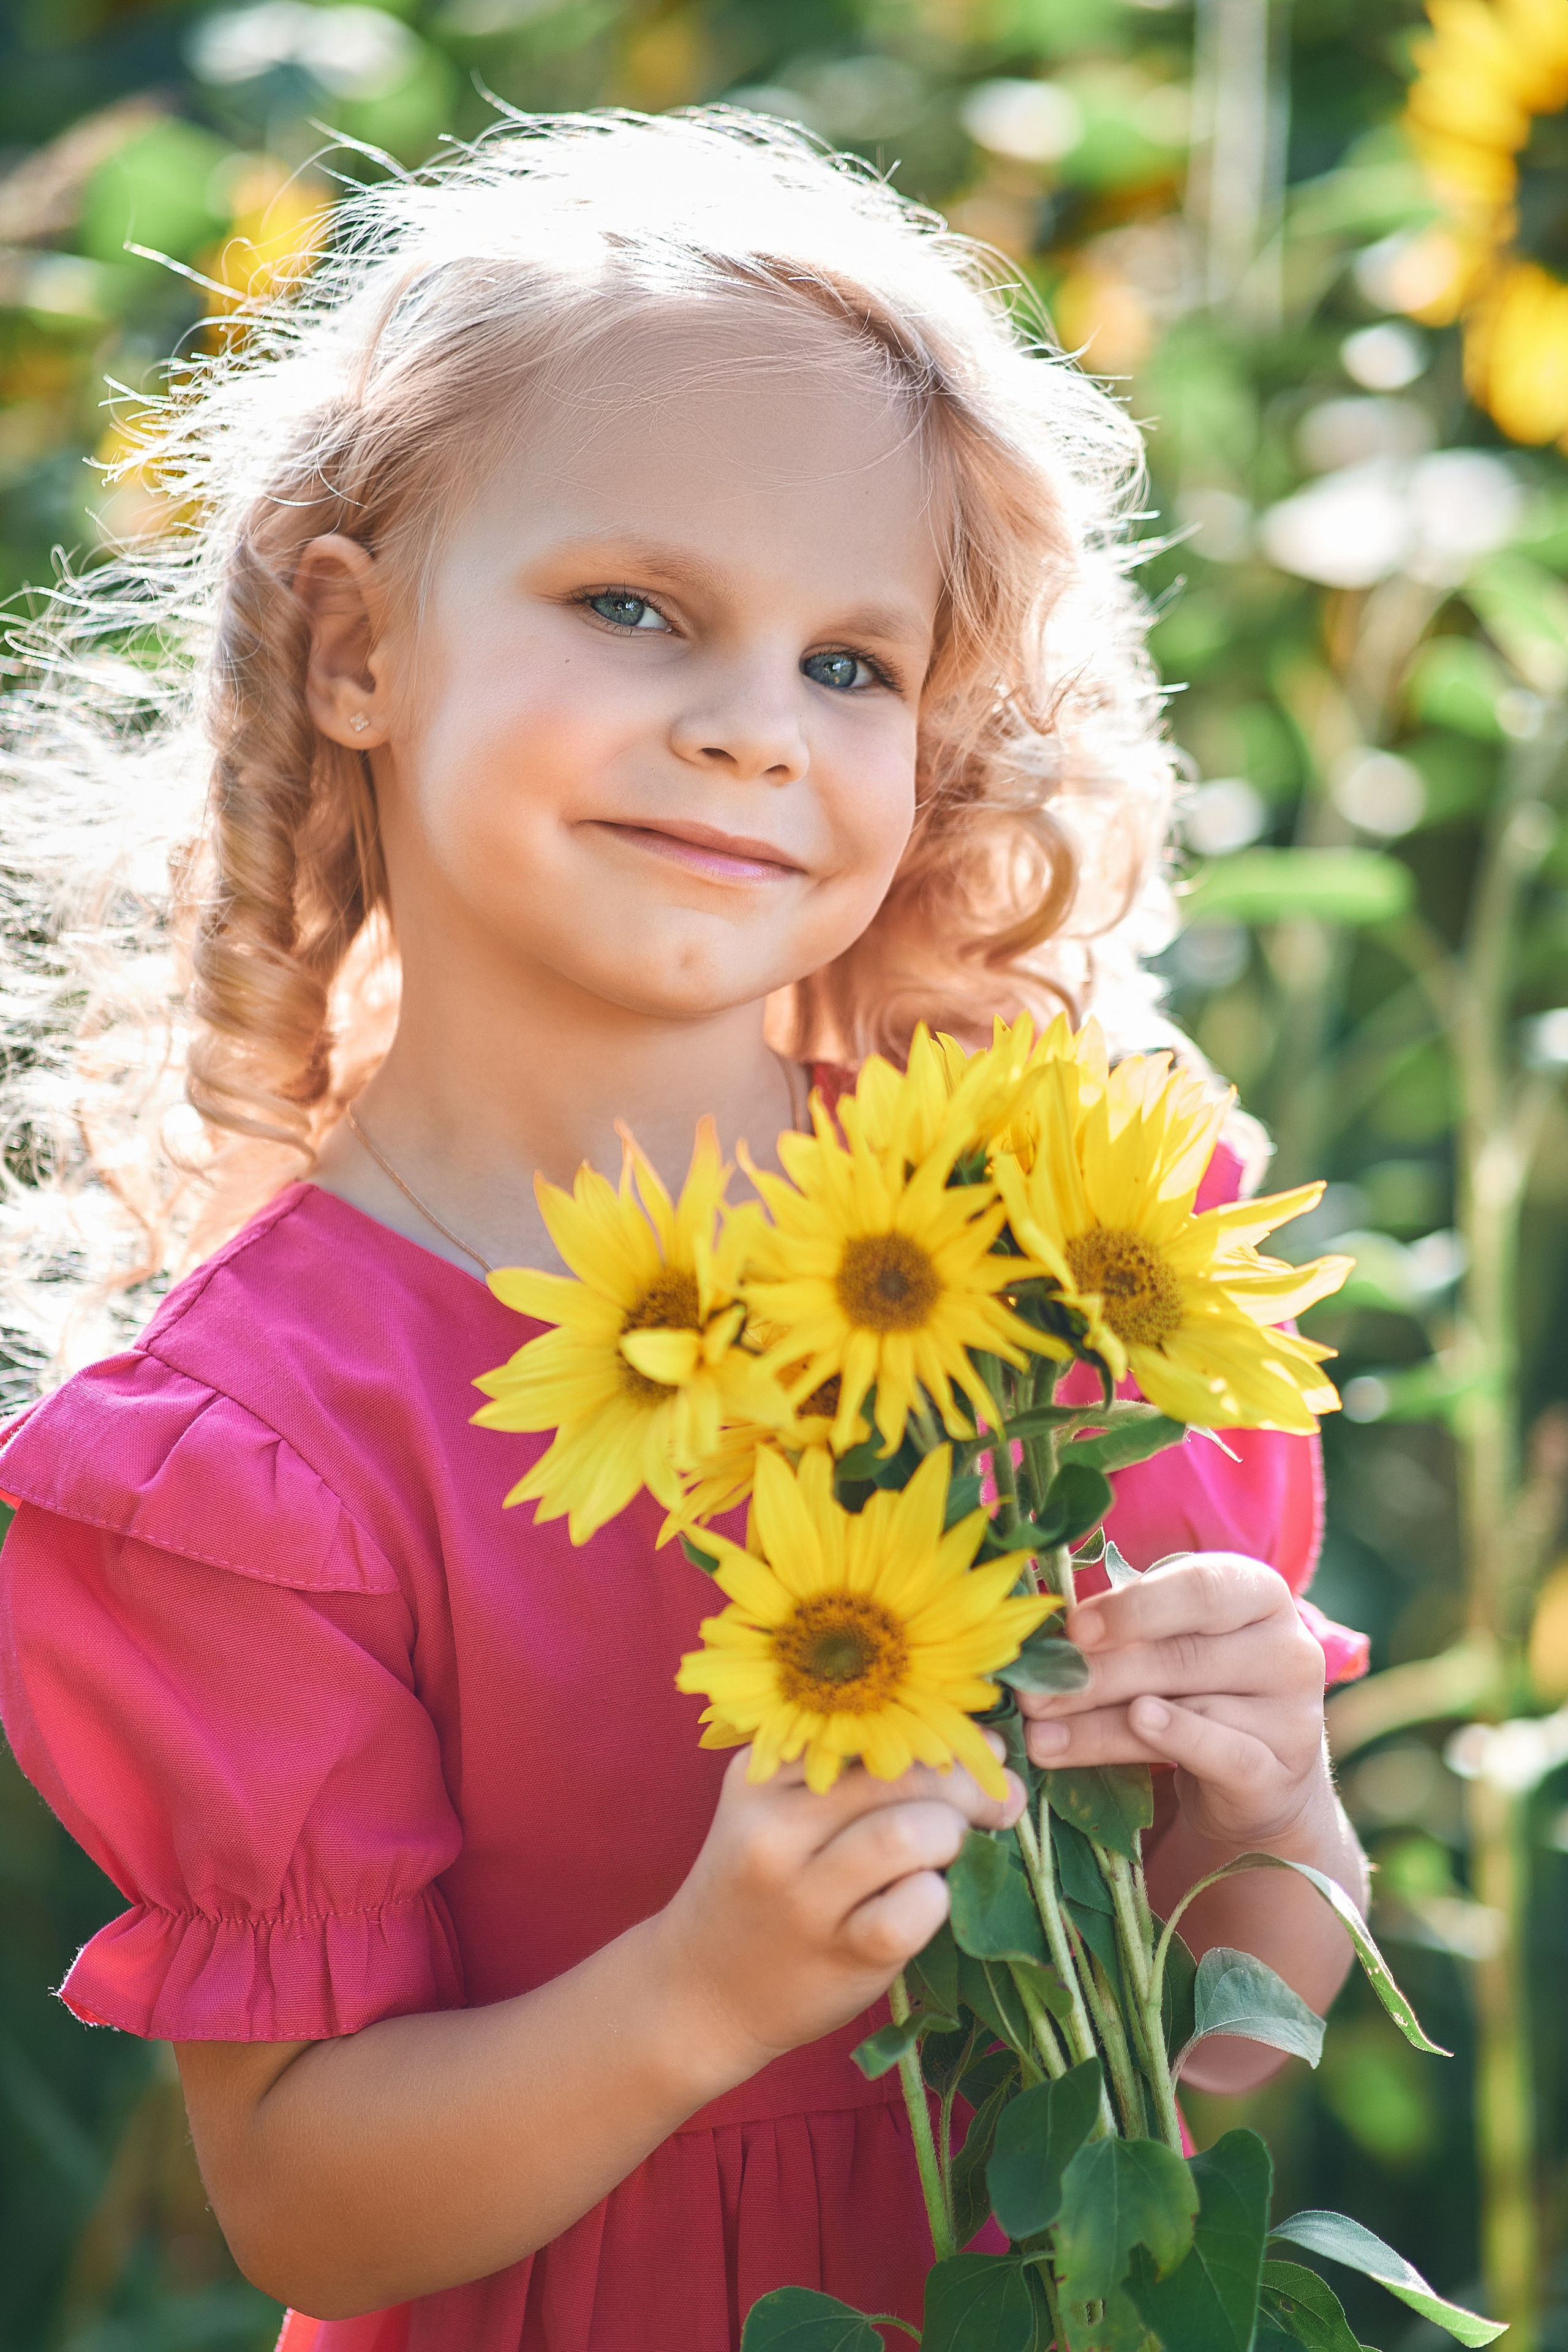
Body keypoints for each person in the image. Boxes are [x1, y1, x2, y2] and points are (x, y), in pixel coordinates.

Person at [0, 111, 1369, 2352]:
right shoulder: (251, 1450)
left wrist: (1272, 1810)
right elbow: (311, 2213)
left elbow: (1202, 2087)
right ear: (355, 646)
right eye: (635, 610)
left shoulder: (1049, 1268)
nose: (751, 731)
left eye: (852, 665)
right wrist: (698, 1994)